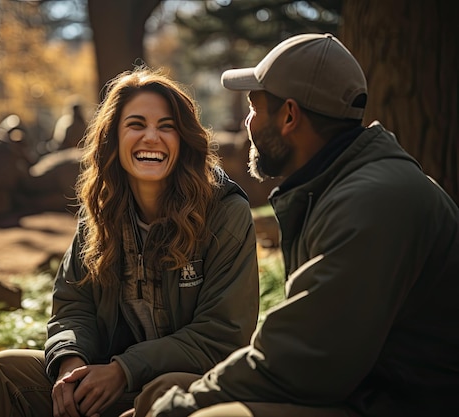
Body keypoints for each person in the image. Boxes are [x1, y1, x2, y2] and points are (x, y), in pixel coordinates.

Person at [140, 33, 459, 417]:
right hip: (360, 390)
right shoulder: (340, 187)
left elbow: (303, 361)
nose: (247, 123)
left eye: (254, 108)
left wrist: (183, 405)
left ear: (289, 116)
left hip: (399, 404)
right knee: (168, 385)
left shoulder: (372, 203)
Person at [0, 66, 260, 417]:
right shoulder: (102, 212)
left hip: (190, 388)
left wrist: (124, 369)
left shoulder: (226, 213)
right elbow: (74, 304)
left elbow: (222, 335)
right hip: (108, 377)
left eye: (167, 127)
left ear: (184, 140)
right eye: (136, 125)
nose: (151, 137)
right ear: (113, 138)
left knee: (162, 390)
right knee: (1, 371)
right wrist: (70, 362)